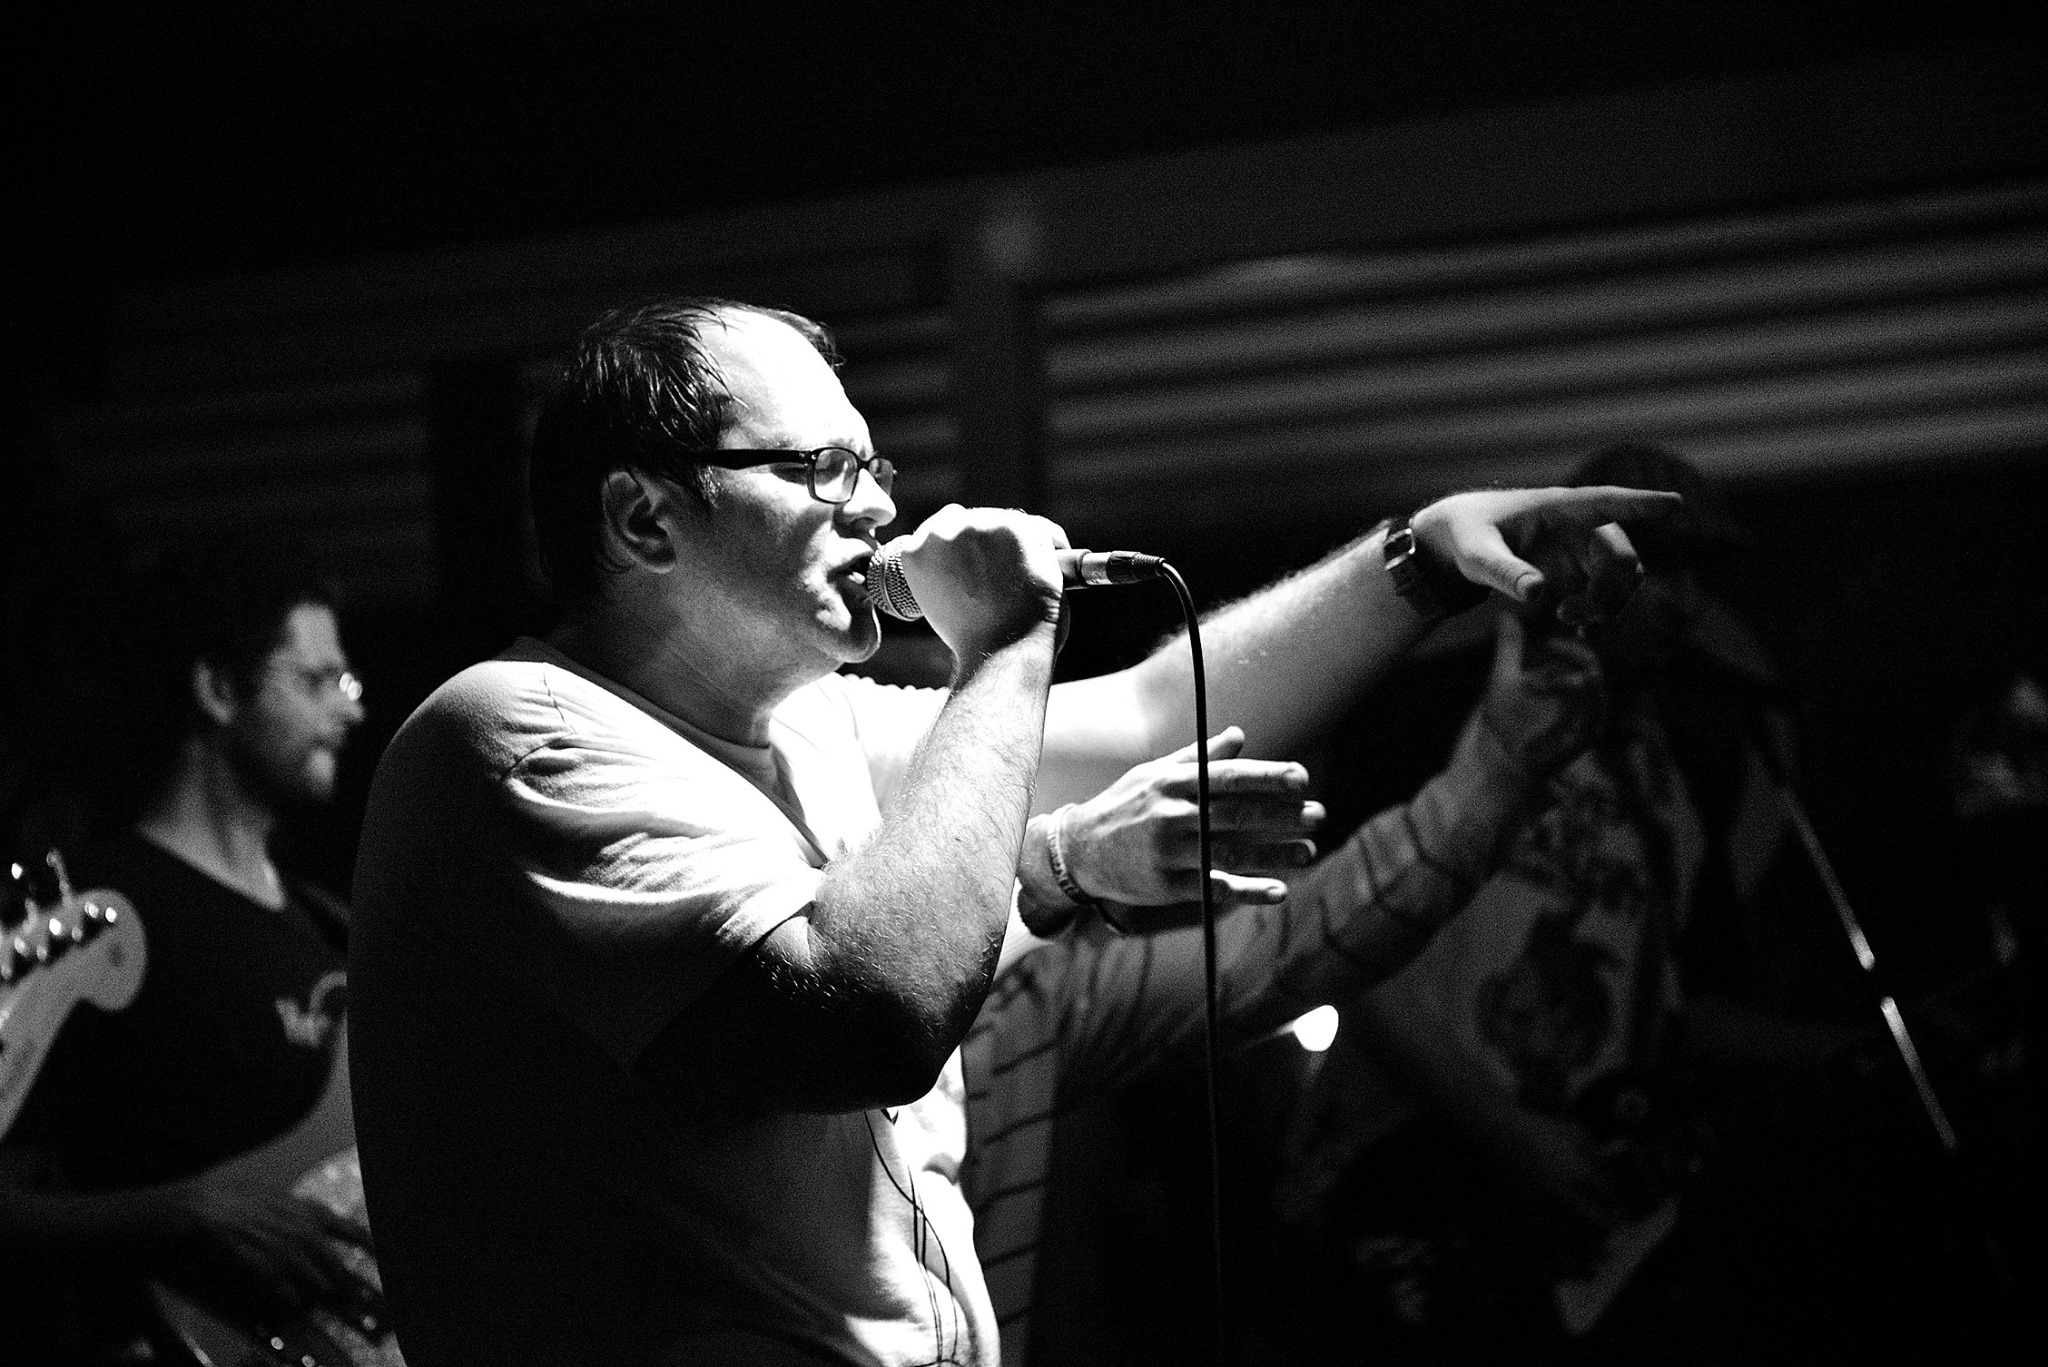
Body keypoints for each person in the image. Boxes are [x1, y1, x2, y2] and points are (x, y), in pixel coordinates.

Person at [346, 297, 1676, 1367]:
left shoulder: (807, 721)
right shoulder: (520, 735)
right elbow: (874, 1012)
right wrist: (1002, 643)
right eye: (821, 467)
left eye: (875, 465)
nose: (877, 505)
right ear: (645, 518)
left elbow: (1147, 714)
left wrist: (1419, 562)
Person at [1275, 444, 1888, 1364]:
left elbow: (1675, 1011)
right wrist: (1513, 1137)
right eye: (1659, 565)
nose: (1683, 601)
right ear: (1575, 555)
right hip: (1400, 1180)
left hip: (1557, 1235)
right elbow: (1329, 939)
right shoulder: (1443, 700)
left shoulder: (1678, 786)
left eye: (1702, 577)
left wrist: (1855, 1045)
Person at [0, 541, 372, 1365]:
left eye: (347, 682)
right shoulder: (92, 919)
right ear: (218, 689)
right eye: (317, 681)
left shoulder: (330, 927)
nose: (350, 711)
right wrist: (168, 1218)